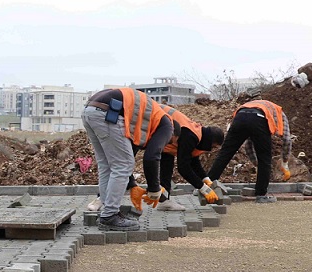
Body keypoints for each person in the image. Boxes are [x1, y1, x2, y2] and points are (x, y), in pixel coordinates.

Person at [82, 88, 176, 231]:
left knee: (107, 164)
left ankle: (107, 212)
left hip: (91, 111)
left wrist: (133, 185)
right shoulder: (167, 126)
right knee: (122, 165)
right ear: (173, 137)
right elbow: (151, 157)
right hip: (107, 113)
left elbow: (129, 153)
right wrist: (154, 190)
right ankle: (110, 215)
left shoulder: (147, 120)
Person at [205, 99, 293, 203]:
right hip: (259, 119)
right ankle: (261, 195)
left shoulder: (260, 106)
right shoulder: (280, 113)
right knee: (264, 158)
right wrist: (285, 163)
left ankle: (205, 187)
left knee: (225, 153)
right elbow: (287, 140)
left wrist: (256, 165)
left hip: (239, 117)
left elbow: (248, 146)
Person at [155, 104, 225, 210]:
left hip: (161, 131)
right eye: (213, 146)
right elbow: (183, 167)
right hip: (149, 122)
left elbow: (193, 160)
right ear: (210, 141)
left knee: (167, 163)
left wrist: (205, 179)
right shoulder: (190, 135)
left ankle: (164, 201)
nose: (211, 149)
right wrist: (203, 188)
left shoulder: (197, 134)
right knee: (126, 163)